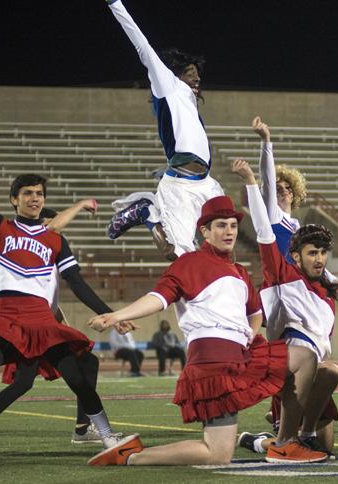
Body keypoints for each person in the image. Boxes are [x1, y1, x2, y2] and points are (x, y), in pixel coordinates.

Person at [0, 144, 133, 461]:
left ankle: (107, 436)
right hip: (8, 318)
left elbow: (78, 284)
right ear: (15, 199)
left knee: (77, 377)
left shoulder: (56, 240)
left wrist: (110, 314)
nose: (35, 198)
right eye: (28, 193)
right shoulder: (0, 227)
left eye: (39, 194)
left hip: (43, 322)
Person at [86, 195, 290, 466]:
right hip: (212, 363)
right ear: (204, 231)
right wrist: (116, 316)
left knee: (304, 364)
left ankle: (294, 438)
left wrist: (251, 333)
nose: (228, 231)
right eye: (220, 225)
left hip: (237, 356)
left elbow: (255, 312)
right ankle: (131, 456)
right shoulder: (189, 263)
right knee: (217, 455)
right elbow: (158, 298)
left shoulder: (240, 271)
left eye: (232, 225)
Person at [90, 0, 224, 261]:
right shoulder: (168, 86)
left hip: (207, 183)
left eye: (199, 75)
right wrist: (114, 2)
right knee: (176, 253)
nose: (197, 78)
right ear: (175, 75)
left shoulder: (189, 103)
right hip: (181, 185)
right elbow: (143, 46)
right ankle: (148, 213)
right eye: (191, 73)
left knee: (223, 243)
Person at [232, 158, 338, 461]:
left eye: (322, 253)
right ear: (295, 256)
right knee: (308, 358)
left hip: (310, 373)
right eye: (312, 253)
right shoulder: (283, 274)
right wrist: (253, 181)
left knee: (331, 372)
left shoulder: (325, 294)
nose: (319, 259)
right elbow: (264, 231)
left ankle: (278, 439)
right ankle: (285, 441)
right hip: (287, 367)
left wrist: (335, 285)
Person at [0, 202, 108, 446]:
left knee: (84, 364)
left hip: (45, 328)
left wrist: (61, 324)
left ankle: (83, 427)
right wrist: (81, 204)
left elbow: (48, 299)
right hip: (27, 328)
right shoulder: (35, 249)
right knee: (24, 382)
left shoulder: (51, 253)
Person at [252, 117, 338, 299]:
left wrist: (336, 282)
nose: (283, 191)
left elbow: (313, 262)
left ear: (295, 192)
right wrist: (266, 141)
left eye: (288, 188)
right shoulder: (273, 216)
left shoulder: (299, 227)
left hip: (301, 289)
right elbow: (267, 178)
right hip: (282, 288)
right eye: (278, 188)